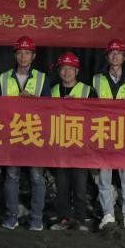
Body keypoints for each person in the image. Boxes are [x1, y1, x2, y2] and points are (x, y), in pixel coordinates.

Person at [0, 36, 50, 231]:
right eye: (19, 52)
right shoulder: (3, 78)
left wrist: (33, 99)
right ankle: (12, 216)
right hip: (12, 133)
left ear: (33, 56)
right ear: (15, 55)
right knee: (11, 175)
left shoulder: (42, 78)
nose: (23, 56)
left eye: (27, 53)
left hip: (35, 134)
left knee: (37, 176)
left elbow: (50, 108)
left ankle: (36, 218)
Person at [92, 38, 125, 230]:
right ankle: (108, 214)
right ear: (107, 56)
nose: (115, 56)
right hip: (103, 133)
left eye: (118, 53)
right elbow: (89, 107)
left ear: (124, 57)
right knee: (104, 177)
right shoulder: (97, 79)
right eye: (112, 53)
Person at [48, 52, 92, 231]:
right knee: (62, 185)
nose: (66, 72)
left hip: (80, 146)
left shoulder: (87, 91)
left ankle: (80, 220)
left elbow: (97, 116)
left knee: (80, 186)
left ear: (77, 71)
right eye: (63, 68)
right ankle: (64, 219)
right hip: (60, 145)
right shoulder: (52, 91)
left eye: (70, 69)